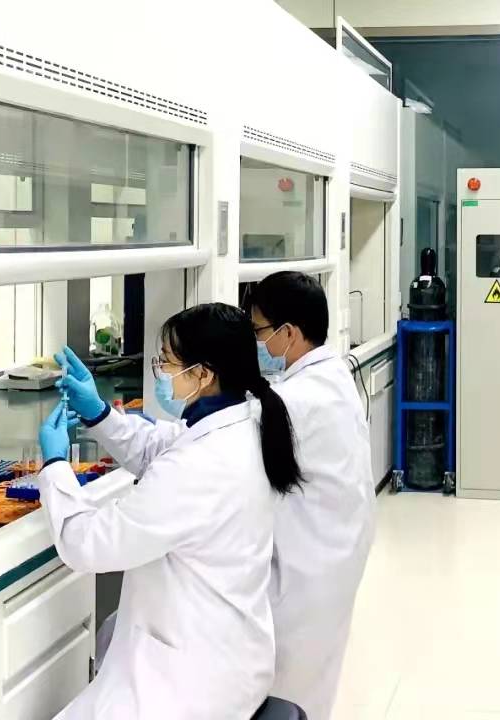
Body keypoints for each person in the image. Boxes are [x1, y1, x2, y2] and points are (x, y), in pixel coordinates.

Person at [36, 303, 302, 719]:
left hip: (192, 685)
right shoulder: (245, 422)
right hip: (231, 654)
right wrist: (98, 413)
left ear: (203, 374)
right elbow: (159, 446)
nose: (159, 371)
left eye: (166, 362)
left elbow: (88, 545)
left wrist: (54, 467)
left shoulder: (199, 466)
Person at [248, 271, 376, 720]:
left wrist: (109, 421)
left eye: (259, 331)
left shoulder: (298, 399)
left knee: (288, 690)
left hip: (309, 569)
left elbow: (225, 439)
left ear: (288, 333)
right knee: (311, 686)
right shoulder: (331, 374)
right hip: (335, 553)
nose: (257, 342)